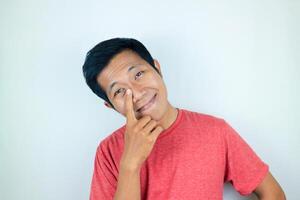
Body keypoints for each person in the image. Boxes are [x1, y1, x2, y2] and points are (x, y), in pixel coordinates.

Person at [82, 38, 286, 200]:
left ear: (157, 68)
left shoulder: (215, 131)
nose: (137, 93)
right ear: (110, 106)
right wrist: (130, 164)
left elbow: (273, 193)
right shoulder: (107, 151)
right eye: (119, 91)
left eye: (138, 74)